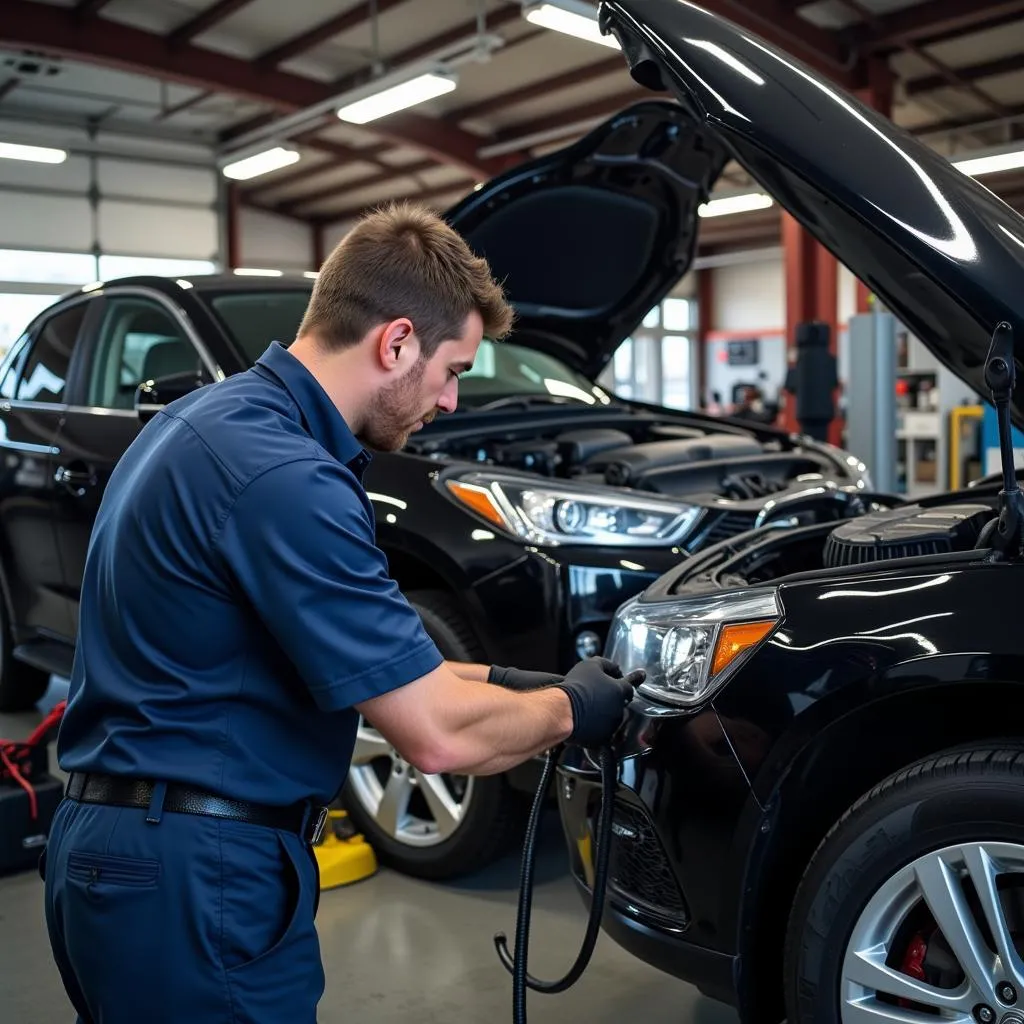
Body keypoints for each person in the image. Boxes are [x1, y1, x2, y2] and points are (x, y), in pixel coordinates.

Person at [41, 202, 643, 1024]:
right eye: (454, 370)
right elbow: (437, 736)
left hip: (130, 853)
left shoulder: (216, 423)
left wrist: (512, 681)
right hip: (196, 874)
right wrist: (577, 710)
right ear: (396, 342)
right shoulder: (287, 476)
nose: (454, 401)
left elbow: (380, 659)